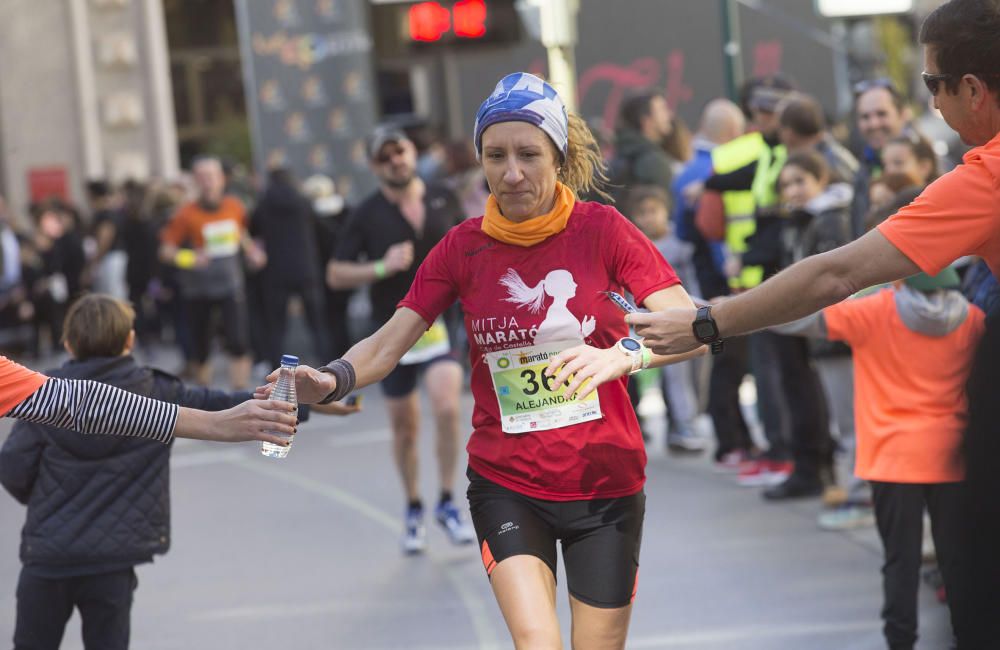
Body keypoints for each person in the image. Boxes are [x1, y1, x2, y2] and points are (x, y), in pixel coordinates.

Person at [269, 72, 704, 649]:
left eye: (528, 154)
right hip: (508, 482)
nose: (511, 172)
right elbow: (387, 343)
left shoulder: (604, 231)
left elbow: (693, 328)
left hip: (604, 481)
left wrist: (624, 355)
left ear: (559, 155)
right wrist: (329, 378)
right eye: (495, 155)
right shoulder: (463, 247)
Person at [627, 0, 1000, 641]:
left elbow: (837, 274)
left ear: (972, 87)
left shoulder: (987, 176)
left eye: (932, 84)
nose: (933, 102)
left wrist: (707, 322)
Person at [0, 294, 260, 650]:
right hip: (113, 559)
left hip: (47, 555)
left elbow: (14, 467)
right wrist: (303, 403)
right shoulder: (159, 390)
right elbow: (228, 403)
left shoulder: (40, 400)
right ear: (130, 340)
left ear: (68, 342)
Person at [773, 269, 983, 648]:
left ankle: (900, 642)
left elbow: (798, 320)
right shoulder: (974, 320)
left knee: (900, 562)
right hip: (953, 456)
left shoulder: (875, 311)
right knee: (958, 563)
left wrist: (725, 313)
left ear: (900, 280)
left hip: (892, 458)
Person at [326, 125, 471, 554]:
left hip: (440, 325)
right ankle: (413, 506)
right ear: (375, 166)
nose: (396, 161)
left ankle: (447, 501)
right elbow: (335, 274)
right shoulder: (366, 214)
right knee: (405, 427)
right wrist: (380, 268)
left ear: (412, 153)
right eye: (385, 156)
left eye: (401, 151)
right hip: (392, 333)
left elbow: (472, 242)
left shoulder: (442, 196)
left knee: (447, 405)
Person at [672, 99, 755, 467]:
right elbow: (712, 233)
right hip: (725, 279)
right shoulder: (716, 168)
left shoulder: (689, 172)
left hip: (711, 276)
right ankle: (731, 441)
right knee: (728, 361)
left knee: (726, 361)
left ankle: (735, 438)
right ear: (733, 134)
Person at [159, 156, 265, 389]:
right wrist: (189, 258)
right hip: (198, 290)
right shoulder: (185, 214)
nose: (208, 182)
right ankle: (205, 400)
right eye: (202, 177)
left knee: (238, 342)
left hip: (230, 284)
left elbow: (241, 235)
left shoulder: (234, 206)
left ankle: (242, 397)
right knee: (201, 347)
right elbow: (165, 251)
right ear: (195, 181)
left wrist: (252, 252)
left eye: (212, 177)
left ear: (221, 179)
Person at [626, 185, 708, 452]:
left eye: (654, 211)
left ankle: (686, 425)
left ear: (666, 212)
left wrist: (696, 311)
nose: (649, 218)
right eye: (643, 213)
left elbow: (690, 284)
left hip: (679, 319)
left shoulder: (680, 247)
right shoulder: (631, 246)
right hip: (641, 322)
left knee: (681, 376)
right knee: (641, 374)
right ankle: (657, 426)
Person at [251, 168, 330, 367]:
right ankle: (327, 364)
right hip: (306, 269)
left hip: (276, 271)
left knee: (277, 326)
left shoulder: (263, 205)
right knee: (317, 323)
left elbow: (253, 230)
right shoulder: (303, 202)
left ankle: (274, 367)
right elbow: (320, 231)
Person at [609, 90, 678, 204]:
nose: (669, 115)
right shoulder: (653, 162)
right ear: (646, 121)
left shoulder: (623, 152)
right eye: (662, 110)